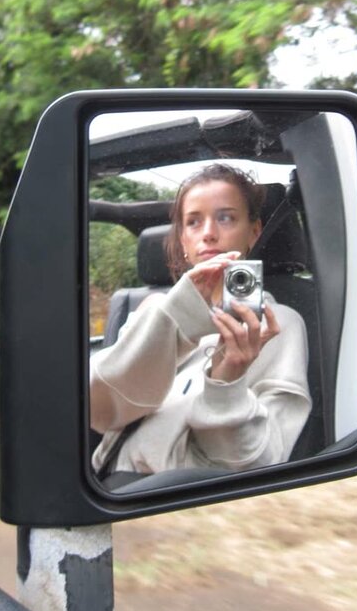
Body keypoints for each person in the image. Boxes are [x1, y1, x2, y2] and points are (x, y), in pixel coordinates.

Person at [90, 163, 311, 478]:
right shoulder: (156, 311)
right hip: (105, 481)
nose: (208, 233)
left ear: (254, 232)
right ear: (183, 240)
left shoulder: (278, 325)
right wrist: (174, 319)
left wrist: (227, 385)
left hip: (183, 492)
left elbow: (261, 463)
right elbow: (100, 412)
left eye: (225, 218)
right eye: (193, 222)